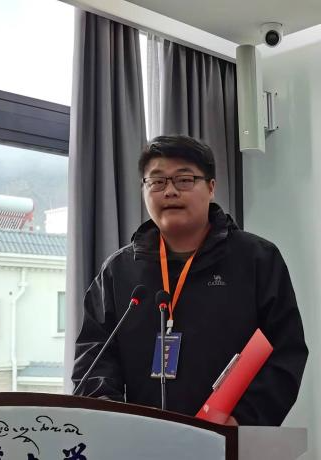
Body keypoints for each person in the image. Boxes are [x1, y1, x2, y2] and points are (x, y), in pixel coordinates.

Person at [71, 135, 308, 426]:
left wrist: (242, 419)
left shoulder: (257, 259)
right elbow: (93, 358)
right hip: (138, 440)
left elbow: (286, 351)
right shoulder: (118, 271)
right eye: (157, 181)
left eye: (184, 180)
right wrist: (108, 415)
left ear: (211, 187)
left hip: (229, 439)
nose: (170, 191)